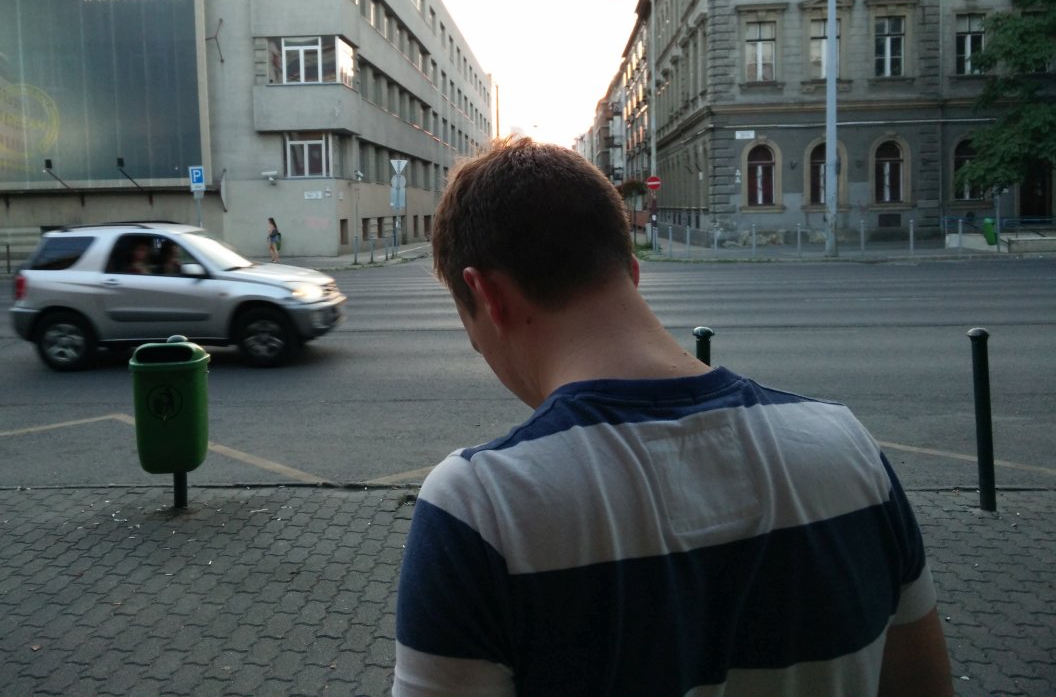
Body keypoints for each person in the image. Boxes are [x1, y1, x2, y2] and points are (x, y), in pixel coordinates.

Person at [393, 137, 952, 697]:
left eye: (473, 336)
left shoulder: (478, 511)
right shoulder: (850, 450)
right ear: (631, 272)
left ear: (487, 295)